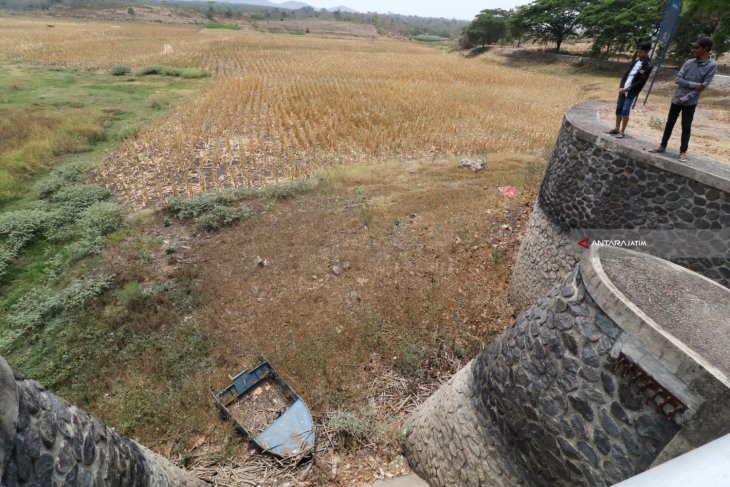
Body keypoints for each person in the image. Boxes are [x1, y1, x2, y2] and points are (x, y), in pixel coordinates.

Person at [650, 36, 718, 162]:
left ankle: (683, 152)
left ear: (706, 48)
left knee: (686, 127)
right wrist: (694, 84)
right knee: (669, 123)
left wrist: (687, 97)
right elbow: (678, 80)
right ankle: (662, 146)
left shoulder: (712, 65)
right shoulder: (688, 62)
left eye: (697, 47)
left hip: (690, 101)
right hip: (676, 99)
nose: (694, 49)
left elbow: (704, 85)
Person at [608, 41, 654, 138]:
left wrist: (628, 89)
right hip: (623, 89)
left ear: (647, 52)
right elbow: (626, 74)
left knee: (625, 110)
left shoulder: (648, 65)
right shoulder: (636, 61)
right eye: (638, 51)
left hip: (631, 91)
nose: (639, 53)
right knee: (619, 108)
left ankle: (622, 131)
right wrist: (621, 86)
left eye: (641, 52)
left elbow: (641, 81)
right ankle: (616, 128)